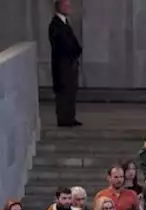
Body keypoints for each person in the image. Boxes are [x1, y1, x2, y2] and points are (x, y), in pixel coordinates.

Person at [48, 0, 82, 128]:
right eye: (66, 5)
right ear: (60, 6)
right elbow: (63, 44)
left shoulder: (64, 23)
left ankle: (70, 117)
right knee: (63, 91)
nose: (69, 8)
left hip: (69, 64)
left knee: (70, 91)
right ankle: (64, 119)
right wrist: (75, 50)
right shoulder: (55, 24)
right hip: (62, 65)